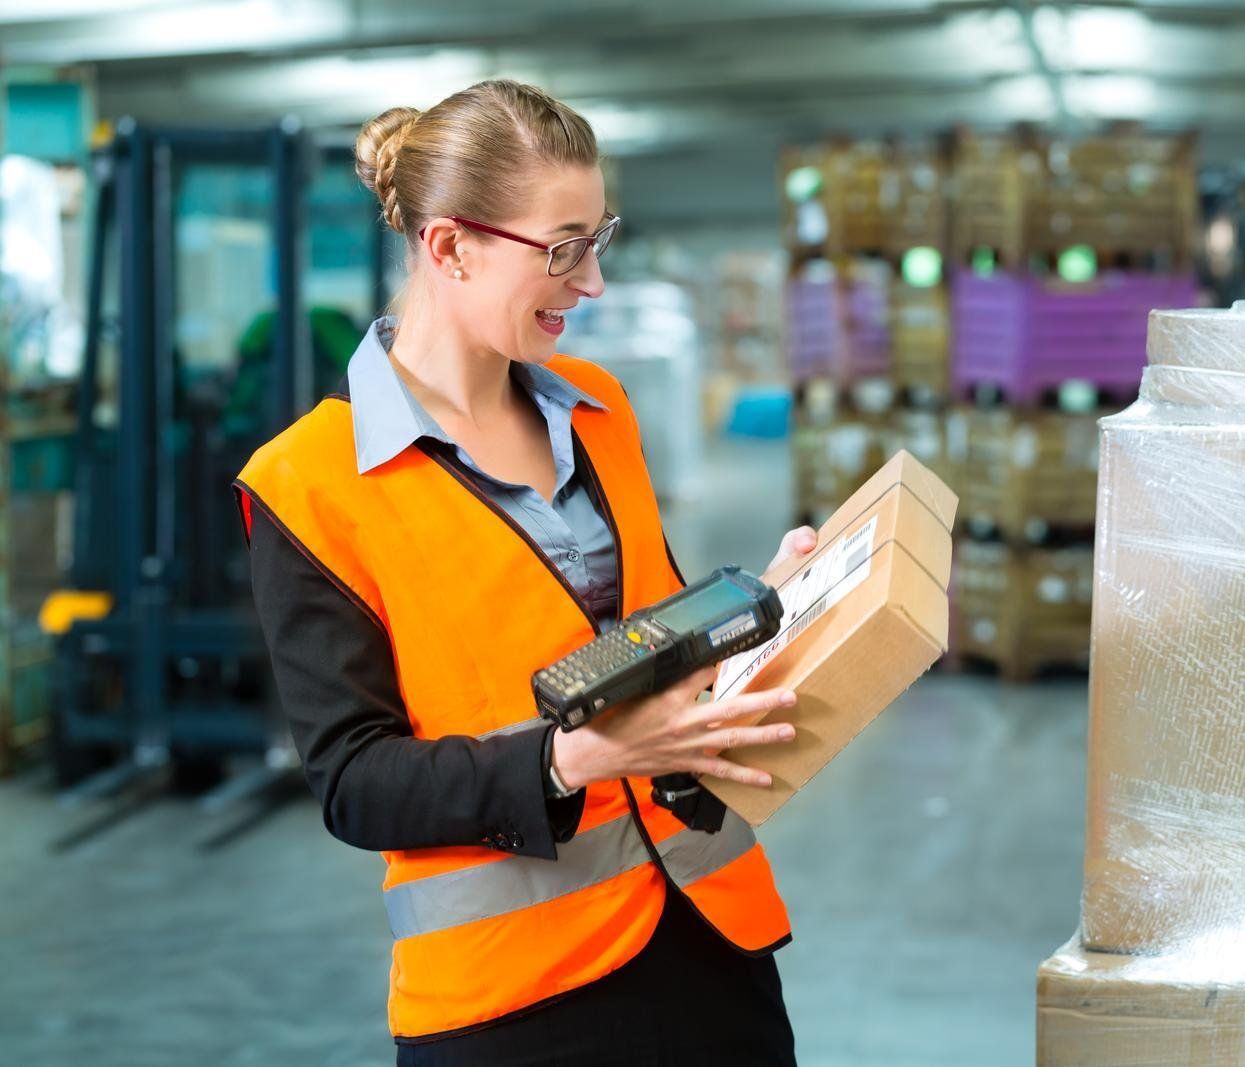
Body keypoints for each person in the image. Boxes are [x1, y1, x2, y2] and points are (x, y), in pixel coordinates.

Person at [233, 78, 818, 1066]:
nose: (590, 281)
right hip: (514, 1001)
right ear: (449, 246)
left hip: (710, 945)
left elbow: (655, 637)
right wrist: (569, 759)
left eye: (598, 237)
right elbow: (355, 780)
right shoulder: (309, 483)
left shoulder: (597, 406)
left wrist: (772, 606)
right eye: (562, 247)